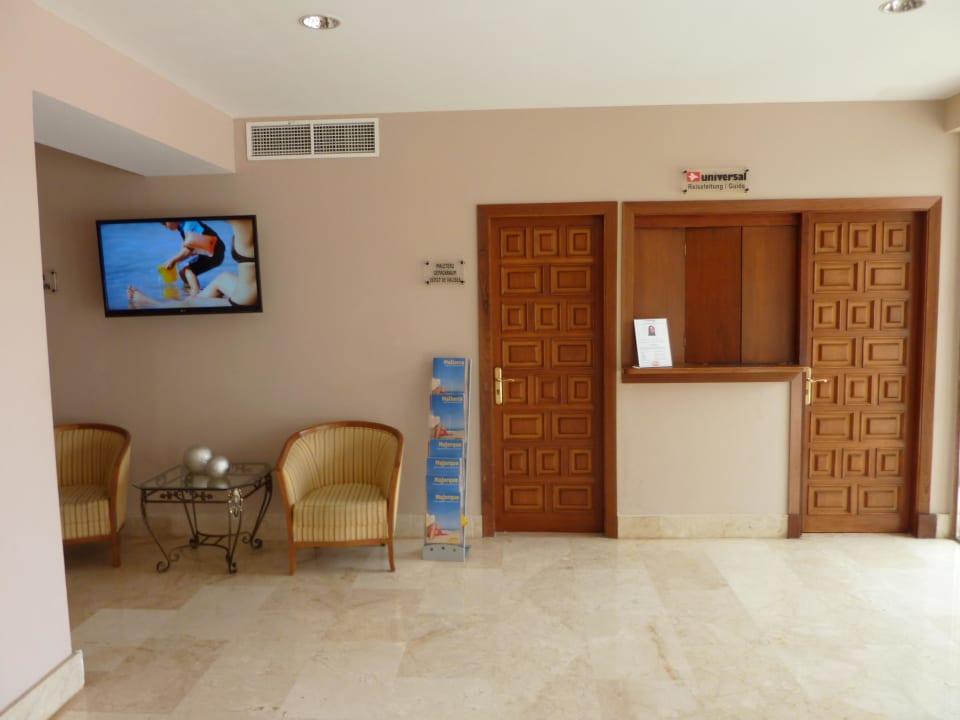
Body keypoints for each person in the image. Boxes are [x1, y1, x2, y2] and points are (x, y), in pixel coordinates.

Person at [160, 220, 226, 296]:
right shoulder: (182, 228)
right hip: (208, 254)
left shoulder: (189, 223)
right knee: (182, 272)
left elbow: (188, 250)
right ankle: (189, 292)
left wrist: (173, 260)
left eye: (164, 223)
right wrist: (175, 261)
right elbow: (186, 249)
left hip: (215, 254)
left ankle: (196, 293)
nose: (165, 227)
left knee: (188, 270)